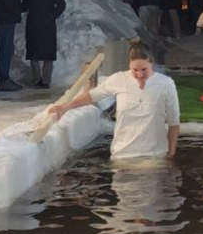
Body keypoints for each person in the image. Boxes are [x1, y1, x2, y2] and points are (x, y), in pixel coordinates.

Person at [49, 42, 180, 160]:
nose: (140, 75)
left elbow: (174, 122)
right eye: (135, 70)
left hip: (155, 155)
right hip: (122, 154)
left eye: (144, 69)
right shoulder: (119, 79)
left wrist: (171, 153)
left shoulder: (165, 84)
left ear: (151, 63)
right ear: (129, 64)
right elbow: (92, 96)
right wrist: (65, 107)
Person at [22, 0, 66, 89]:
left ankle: (46, 80)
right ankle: (36, 80)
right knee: (34, 53)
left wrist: (52, 15)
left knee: (48, 54)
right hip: (34, 24)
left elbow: (61, 5)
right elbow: (25, 5)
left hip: (47, 24)